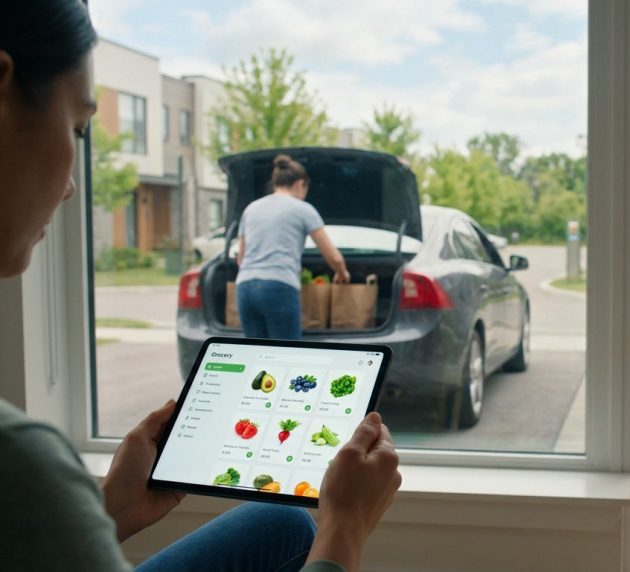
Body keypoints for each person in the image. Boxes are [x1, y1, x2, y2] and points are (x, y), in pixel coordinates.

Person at [0, 3, 400, 571]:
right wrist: (346, 526)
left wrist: (107, 511)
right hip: (282, 288)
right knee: (291, 382)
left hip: (249, 286)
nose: (70, 187)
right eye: (78, 126)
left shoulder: (254, 207)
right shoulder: (20, 460)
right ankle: (284, 456)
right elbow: (330, 253)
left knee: (279, 514)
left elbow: (234, 255)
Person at [235, 154, 350, 339]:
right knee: (286, 355)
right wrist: (342, 273)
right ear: (300, 184)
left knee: (255, 355)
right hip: (279, 287)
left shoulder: (251, 208)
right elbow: (333, 256)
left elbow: (241, 258)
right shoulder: (303, 209)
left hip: (244, 288)